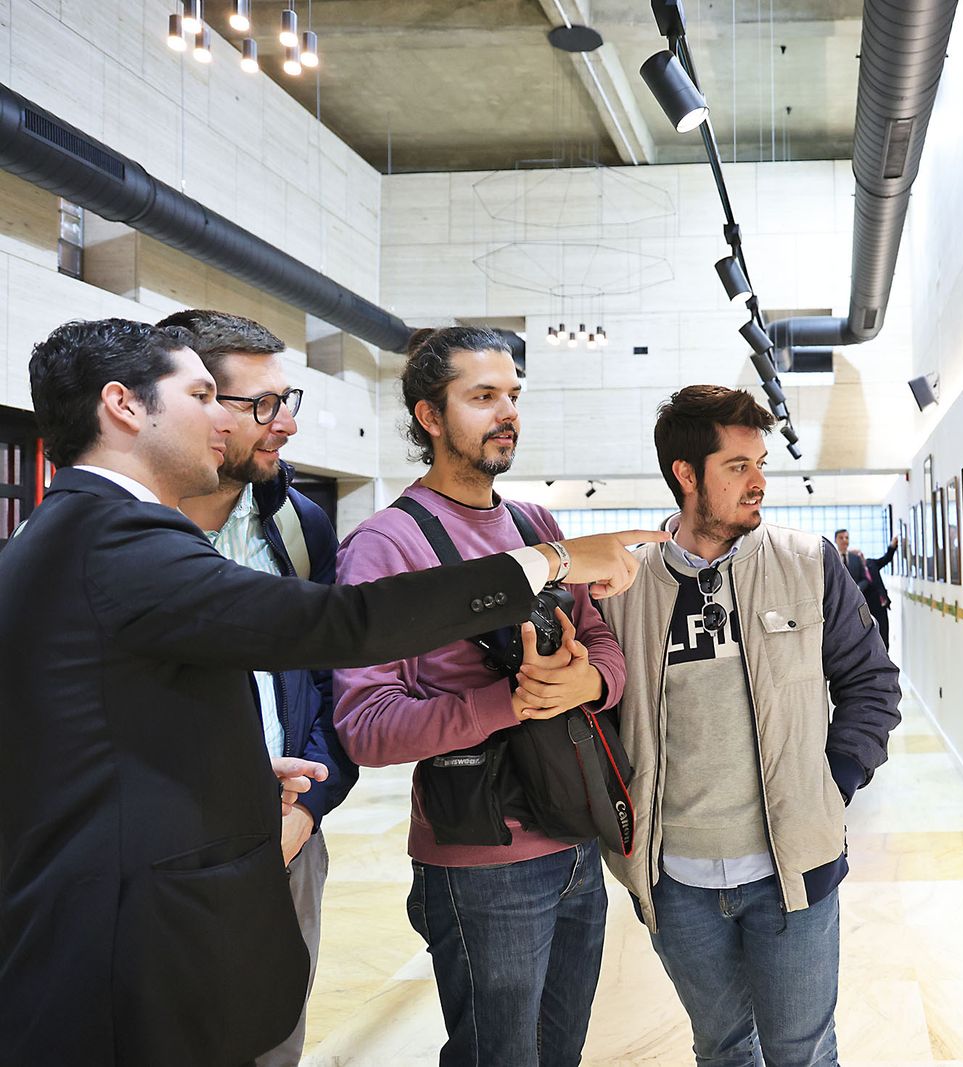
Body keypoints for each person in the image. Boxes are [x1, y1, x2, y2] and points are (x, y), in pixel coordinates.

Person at [0, 318, 663, 1066]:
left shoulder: (79, 529)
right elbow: (345, 626)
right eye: (203, 395)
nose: (226, 420)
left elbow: (100, 726)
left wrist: (241, 776)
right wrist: (549, 562)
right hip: (125, 932)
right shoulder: (116, 536)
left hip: (180, 885)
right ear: (124, 405)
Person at [334, 327, 623, 1067]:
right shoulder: (386, 544)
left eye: (513, 396)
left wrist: (589, 680)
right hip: (480, 863)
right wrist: (511, 703)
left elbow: (603, 641)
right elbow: (366, 725)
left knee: (561, 1053)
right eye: (483, 396)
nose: (507, 413)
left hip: (575, 835)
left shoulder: (535, 525)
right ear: (430, 416)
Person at [597, 384, 902, 1066]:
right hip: (675, 883)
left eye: (760, 463)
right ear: (686, 474)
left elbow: (872, 683)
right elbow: (598, 713)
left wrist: (833, 782)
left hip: (792, 872)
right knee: (724, 1049)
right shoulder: (625, 584)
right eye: (738, 466)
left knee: (802, 1052)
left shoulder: (808, 563)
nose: (759, 481)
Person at [159, 309, 357, 1067]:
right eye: (264, 405)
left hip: (288, 842)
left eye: (288, 400)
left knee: (274, 1043)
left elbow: (335, 685)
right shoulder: (115, 534)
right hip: (163, 854)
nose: (288, 425)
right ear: (196, 402)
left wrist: (305, 812)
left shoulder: (301, 527)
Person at [835, 528, 899, 648]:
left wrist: (892, 546)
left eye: (861, 554)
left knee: (883, 634)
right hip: (865, 605)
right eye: (857, 555)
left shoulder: (871, 564)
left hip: (880, 606)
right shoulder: (843, 563)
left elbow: (886, 558)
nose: (860, 556)